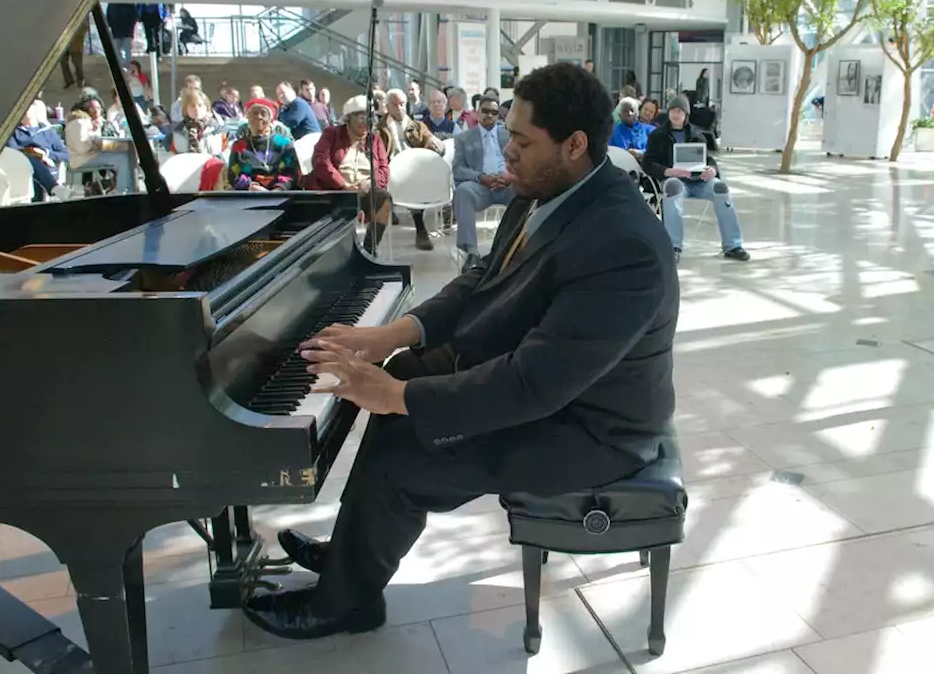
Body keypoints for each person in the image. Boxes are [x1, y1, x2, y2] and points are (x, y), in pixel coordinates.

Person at [242, 62, 679, 640]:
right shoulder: (547, 190)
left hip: (592, 431)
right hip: (554, 392)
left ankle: (347, 604)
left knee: (405, 453)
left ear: (575, 144)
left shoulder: (623, 243)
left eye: (521, 142)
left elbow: (534, 385)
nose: (508, 155)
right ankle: (354, 553)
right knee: (406, 375)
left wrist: (398, 396)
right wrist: (390, 337)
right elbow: (481, 280)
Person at [642, 94, 749, 263]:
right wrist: (668, 171)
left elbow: (709, 159)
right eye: (672, 110)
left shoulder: (697, 135)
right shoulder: (657, 136)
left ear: (686, 114)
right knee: (672, 188)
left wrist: (712, 169)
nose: (675, 114)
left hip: (699, 182)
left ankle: (733, 245)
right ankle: (673, 246)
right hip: (675, 181)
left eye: (679, 111)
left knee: (721, 188)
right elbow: (648, 163)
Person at [305, 96, 393, 252]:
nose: (366, 121)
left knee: (384, 201)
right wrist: (344, 185)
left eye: (369, 116)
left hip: (364, 190)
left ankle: (369, 249)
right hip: (335, 190)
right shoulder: (332, 133)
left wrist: (368, 184)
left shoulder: (375, 140)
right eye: (361, 116)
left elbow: (384, 170)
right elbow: (320, 161)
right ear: (349, 118)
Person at [450, 94, 511, 271]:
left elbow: (522, 159)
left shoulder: (509, 134)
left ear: (499, 115)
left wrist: (508, 176)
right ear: (477, 112)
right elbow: (458, 169)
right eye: (485, 111)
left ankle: (517, 247)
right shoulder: (464, 138)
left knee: (528, 189)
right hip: (481, 186)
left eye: (494, 112)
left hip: (507, 184)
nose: (489, 115)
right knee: (463, 192)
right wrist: (480, 177)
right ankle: (472, 253)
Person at [379, 89, 437, 251]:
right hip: (391, 169)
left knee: (416, 184)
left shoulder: (417, 126)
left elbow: (429, 138)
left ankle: (419, 227)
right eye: (394, 104)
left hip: (413, 168)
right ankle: (420, 229)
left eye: (402, 104)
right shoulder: (380, 128)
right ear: (388, 106)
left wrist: (432, 142)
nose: (399, 107)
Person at [64, 94, 134, 196]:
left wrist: (100, 137)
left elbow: (92, 141)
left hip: (87, 156)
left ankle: (125, 188)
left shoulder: (85, 122)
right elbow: (82, 147)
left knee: (126, 152)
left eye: (98, 108)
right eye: (92, 109)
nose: (96, 111)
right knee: (123, 158)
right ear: (85, 109)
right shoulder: (80, 122)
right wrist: (102, 145)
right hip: (82, 159)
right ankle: (121, 192)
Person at [227, 98, 301, 191]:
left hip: (280, 195)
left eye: (263, 113)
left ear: (271, 119)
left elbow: (292, 172)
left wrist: (279, 189)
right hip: (249, 195)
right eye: (255, 113)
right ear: (247, 117)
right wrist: (251, 186)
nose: (259, 117)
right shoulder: (239, 146)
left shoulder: (284, 143)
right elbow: (233, 174)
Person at [7, 101, 69, 201]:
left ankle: (53, 188)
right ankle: (54, 188)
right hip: (24, 169)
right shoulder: (13, 132)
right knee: (30, 162)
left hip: (49, 169)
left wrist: (47, 154)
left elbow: (66, 155)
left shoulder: (48, 132)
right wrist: (37, 155)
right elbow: (13, 151)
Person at [170, 89, 225, 155]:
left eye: (200, 105)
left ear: (206, 108)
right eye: (192, 106)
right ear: (185, 109)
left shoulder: (219, 130)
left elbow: (225, 156)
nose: (196, 109)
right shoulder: (177, 132)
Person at [60, 13, 88, 90]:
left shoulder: (81, 12)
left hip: (76, 42)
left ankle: (81, 80)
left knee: (77, 63)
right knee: (63, 61)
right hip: (64, 43)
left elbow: (85, 26)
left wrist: (75, 34)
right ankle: (68, 81)